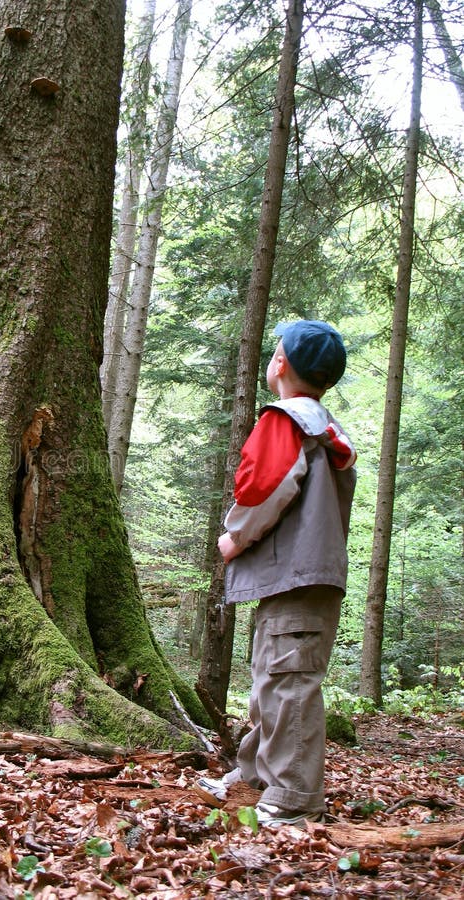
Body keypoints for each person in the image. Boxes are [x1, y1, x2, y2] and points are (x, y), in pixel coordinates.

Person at [195, 320, 357, 828]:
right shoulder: (324, 426)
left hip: (299, 574)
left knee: (289, 683)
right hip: (296, 575)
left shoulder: (287, 419)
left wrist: (236, 536)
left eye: (274, 351)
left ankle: (291, 796)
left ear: (280, 362)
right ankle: (254, 777)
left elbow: (263, 484)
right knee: (271, 680)